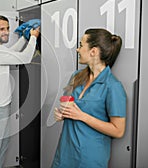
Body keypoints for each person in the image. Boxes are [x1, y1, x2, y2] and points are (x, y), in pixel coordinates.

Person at [52, 28, 127, 168]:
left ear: (93, 51)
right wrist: (62, 114)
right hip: (65, 153)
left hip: (89, 158)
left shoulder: (113, 86)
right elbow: (70, 106)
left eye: (81, 45)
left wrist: (82, 116)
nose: (78, 50)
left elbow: (118, 130)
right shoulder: (76, 76)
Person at [0, 15, 40, 168]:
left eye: (7, 28)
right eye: (2, 29)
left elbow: (11, 54)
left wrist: (24, 38)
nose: (6, 32)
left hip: (1, 105)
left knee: (3, 144)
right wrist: (33, 37)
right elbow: (24, 58)